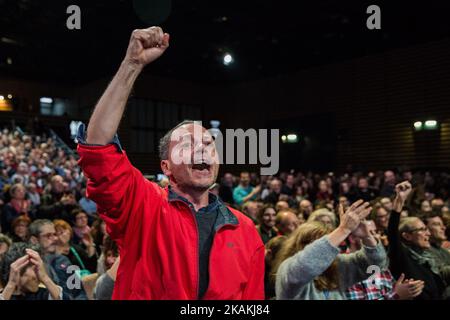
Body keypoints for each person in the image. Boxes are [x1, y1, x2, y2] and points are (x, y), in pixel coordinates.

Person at [77, 26, 264, 300]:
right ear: (165, 167)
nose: (202, 150)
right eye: (188, 145)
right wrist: (131, 65)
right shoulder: (142, 207)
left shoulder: (246, 231)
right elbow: (98, 148)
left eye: (209, 146)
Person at [274, 200, 387, 300]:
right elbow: (306, 265)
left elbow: (373, 264)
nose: (327, 249)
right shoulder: (287, 269)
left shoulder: (335, 266)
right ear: (300, 245)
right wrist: (343, 230)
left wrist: (366, 236)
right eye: (316, 243)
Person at [387, 181, 449, 299]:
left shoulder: (427, 256)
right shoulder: (402, 256)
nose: (428, 233)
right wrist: (399, 201)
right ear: (407, 236)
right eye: (422, 229)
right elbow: (392, 233)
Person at [346, 220, 424, 300]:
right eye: (368, 234)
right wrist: (396, 295)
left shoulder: (379, 261)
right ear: (352, 238)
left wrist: (407, 290)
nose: (376, 237)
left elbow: (390, 292)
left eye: (376, 232)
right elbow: (394, 295)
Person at [29, 219, 87, 300]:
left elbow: (79, 291)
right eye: (48, 235)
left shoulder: (63, 260)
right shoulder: (29, 266)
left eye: (55, 234)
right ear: (34, 240)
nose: (55, 238)